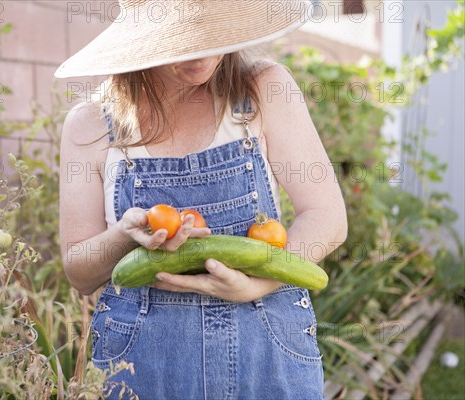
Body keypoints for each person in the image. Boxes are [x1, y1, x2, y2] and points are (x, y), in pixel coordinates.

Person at [55, 0, 347, 398]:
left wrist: (257, 284)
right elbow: (79, 273)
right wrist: (125, 234)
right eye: (182, 39)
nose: (204, 55)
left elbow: (327, 215)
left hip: (267, 351)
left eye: (214, 31)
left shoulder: (262, 89)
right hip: (141, 363)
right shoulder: (90, 125)